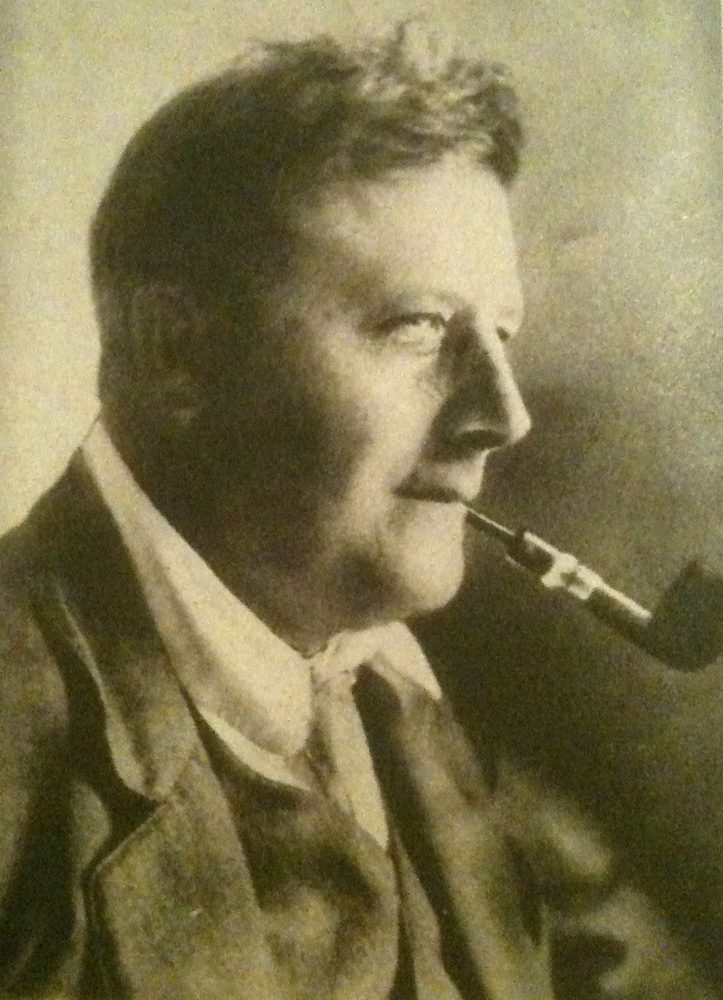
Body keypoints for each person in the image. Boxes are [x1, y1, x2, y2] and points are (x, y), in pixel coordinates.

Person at [0, 24, 714, 1000]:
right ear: (177, 351)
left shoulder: (405, 700)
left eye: (501, 334)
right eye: (418, 326)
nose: (504, 416)